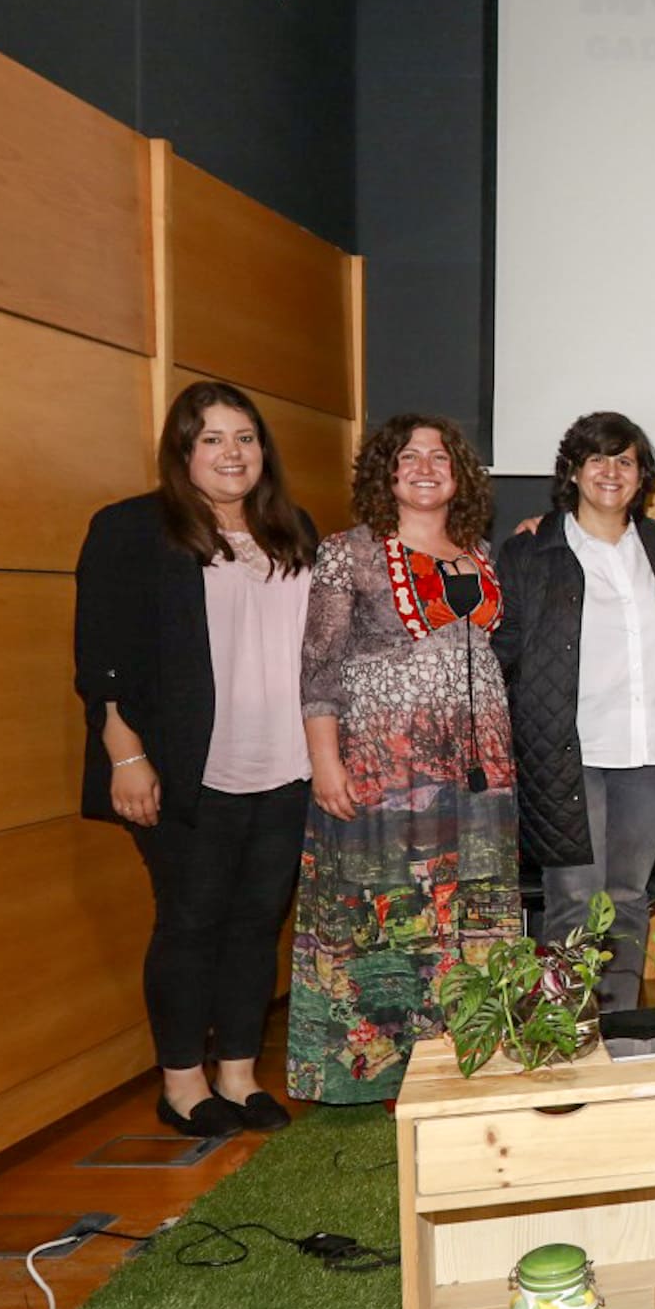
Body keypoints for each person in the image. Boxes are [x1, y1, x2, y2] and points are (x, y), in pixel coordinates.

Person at [74, 381, 317, 1138]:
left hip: (284, 767)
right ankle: (182, 1084)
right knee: (188, 921)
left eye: (244, 437)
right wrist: (125, 756)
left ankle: (239, 1076)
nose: (231, 452)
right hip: (185, 771)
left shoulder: (290, 528)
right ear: (183, 450)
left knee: (254, 923)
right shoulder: (132, 529)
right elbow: (102, 659)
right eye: (211, 438)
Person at [289, 415, 522, 1103]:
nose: (425, 466)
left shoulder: (479, 551)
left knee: (466, 908)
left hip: (478, 769)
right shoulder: (349, 553)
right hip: (383, 770)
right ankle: (376, 1071)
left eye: (440, 456)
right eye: (408, 456)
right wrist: (324, 762)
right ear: (384, 473)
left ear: (461, 475)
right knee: (389, 910)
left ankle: (466, 1053)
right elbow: (318, 666)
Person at [496, 413, 655, 1013]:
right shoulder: (533, 549)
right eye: (598, 459)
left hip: (649, 755)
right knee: (575, 901)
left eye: (625, 460)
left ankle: (620, 1029)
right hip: (567, 755)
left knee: (630, 897)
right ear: (575, 471)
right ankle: (565, 1033)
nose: (611, 472)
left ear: (642, 476)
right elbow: (505, 655)